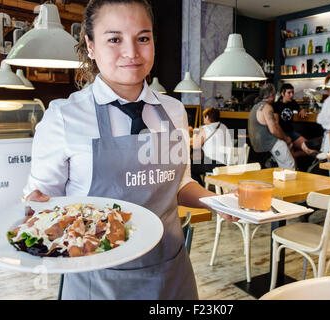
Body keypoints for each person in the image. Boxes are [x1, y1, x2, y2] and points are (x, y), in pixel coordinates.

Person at [23, 0, 236, 300]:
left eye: (143, 38)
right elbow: (40, 202)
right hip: (97, 279)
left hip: (171, 274)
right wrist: (36, 206)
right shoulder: (64, 117)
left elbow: (180, 184)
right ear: (91, 45)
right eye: (114, 39)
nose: (132, 52)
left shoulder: (174, 111)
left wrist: (220, 202)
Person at [248, 83, 295, 169]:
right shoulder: (267, 107)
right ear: (271, 95)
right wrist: (286, 139)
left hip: (257, 147)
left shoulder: (255, 107)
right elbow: (274, 130)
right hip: (268, 144)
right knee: (290, 165)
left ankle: (272, 161)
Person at [190, 107, 232, 185]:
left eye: (204, 117)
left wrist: (195, 134)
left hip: (214, 164)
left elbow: (195, 146)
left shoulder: (206, 128)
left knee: (188, 167)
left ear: (207, 117)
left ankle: (200, 187)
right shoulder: (224, 126)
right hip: (227, 163)